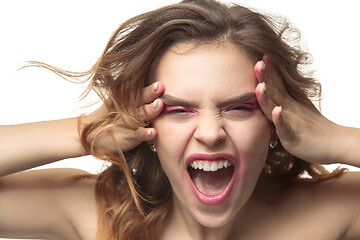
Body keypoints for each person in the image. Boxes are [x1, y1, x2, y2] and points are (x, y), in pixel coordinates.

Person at [1, 0, 359, 239]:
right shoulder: (100, 211)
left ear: (274, 123)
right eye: (177, 109)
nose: (210, 132)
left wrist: (337, 139)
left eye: (239, 108)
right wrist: (84, 133)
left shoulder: (333, 210)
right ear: (146, 130)